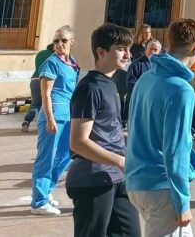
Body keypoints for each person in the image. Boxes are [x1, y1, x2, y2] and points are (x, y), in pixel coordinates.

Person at [126, 18, 195, 237]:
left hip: (137, 181)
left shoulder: (145, 78)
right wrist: (182, 201)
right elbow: (175, 148)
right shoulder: (181, 90)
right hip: (160, 186)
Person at [66, 23, 138, 237]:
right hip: (93, 180)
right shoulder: (90, 87)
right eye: (121, 48)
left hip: (116, 179)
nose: (128, 54)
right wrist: (119, 160)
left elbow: (108, 129)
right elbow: (78, 141)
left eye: (129, 48)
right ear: (101, 51)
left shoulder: (111, 84)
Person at [30, 24, 79, 216]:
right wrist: (50, 118)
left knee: (65, 155)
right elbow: (46, 94)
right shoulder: (51, 63)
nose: (59, 44)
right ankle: (39, 202)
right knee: (46, 158)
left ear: (71, 42)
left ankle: (46, 189)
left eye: (63, 40)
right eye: (56, 41)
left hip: (68, 116)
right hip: (53, 116)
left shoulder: (72, 63)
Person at [124, 40, 161, 125]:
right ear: (146, 50)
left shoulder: (161, 66)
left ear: (159, 52)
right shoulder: (136, 64)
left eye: (155, 49)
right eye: (150, 49)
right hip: (139, 103)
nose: (152, 52)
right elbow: (131, 83)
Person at [22, 40, 55, 132]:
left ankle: (26, 122)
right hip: (46, 79)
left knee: (35, 104)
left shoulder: (40, 53)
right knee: (47, 102)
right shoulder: (55, 55)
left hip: (34, 80)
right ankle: (44, 125)